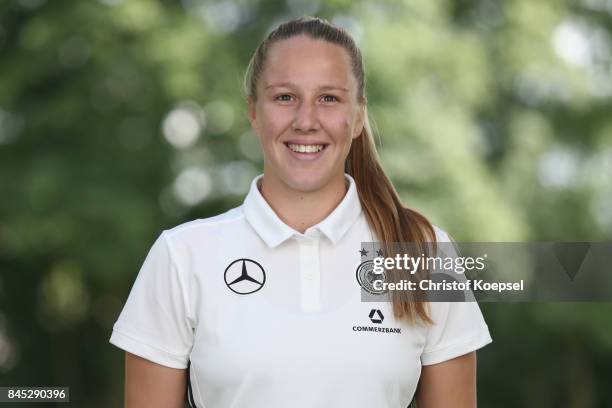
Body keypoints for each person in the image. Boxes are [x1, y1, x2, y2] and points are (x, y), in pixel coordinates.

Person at [109, 16, 492, 408]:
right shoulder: (180, 256)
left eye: (329, 98)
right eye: (284, 97)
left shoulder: (425, 254)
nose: (306, 121)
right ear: (254, 112)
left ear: (358, 117)